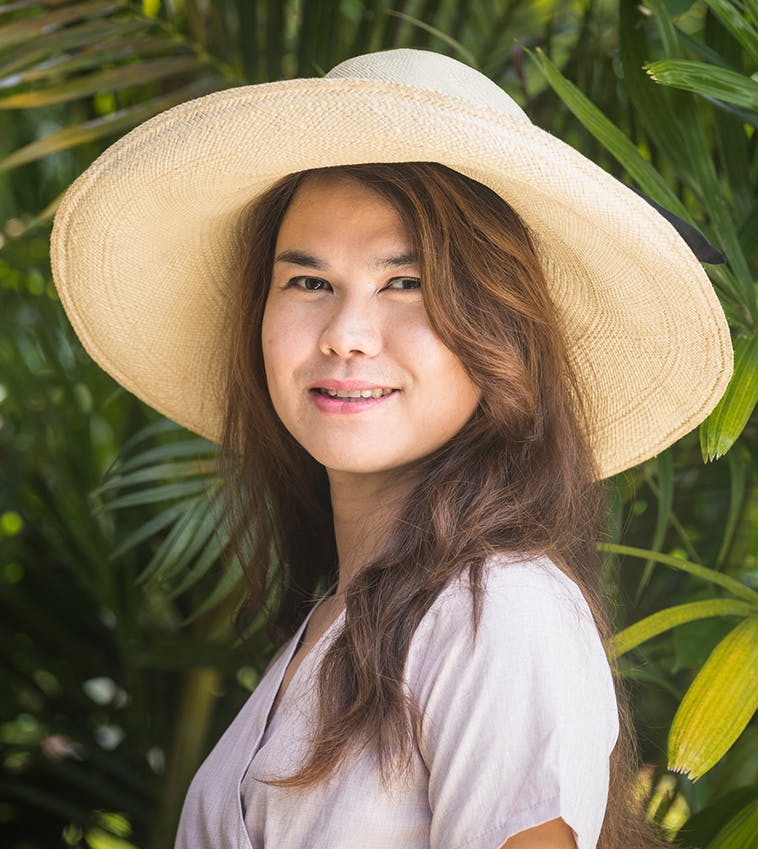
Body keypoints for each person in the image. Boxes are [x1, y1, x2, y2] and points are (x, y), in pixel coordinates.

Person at [50, 49, 732, 849]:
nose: (344, 334)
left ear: (500, 328)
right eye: (308, 282)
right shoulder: (330, 626)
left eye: (406, 283)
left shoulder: (498, 610)